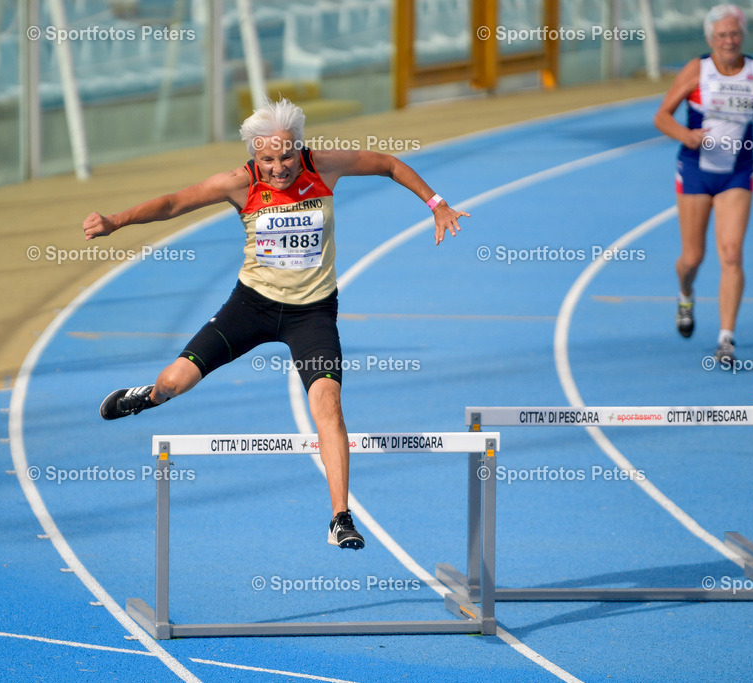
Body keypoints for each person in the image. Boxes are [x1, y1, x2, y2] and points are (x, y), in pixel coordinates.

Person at [82, 99, 468, 550]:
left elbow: (387, 164)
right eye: (267, 159)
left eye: (286, 155)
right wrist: (115, 221)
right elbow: (173, 203)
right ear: (253, 156)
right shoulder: (238, 184)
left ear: (297, 148)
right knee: (174, 381)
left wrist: (437, 204)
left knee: (329, 404)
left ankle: (340, 517)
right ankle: (146, 397)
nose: (279, 167)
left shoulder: (322, 167)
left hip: (313, 314)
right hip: (252, 307)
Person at [653, 3, 753, 366]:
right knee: (693, 257)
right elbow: (662, 116)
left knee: (731, 253)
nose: (729, 41)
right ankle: (685, 292)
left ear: (742, 35)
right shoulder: (698, 70)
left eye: (734, 34)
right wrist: (686, 135)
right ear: (710, 39)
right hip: (696, 170)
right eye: (721, 35)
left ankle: (726, 337)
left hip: (737, 173)